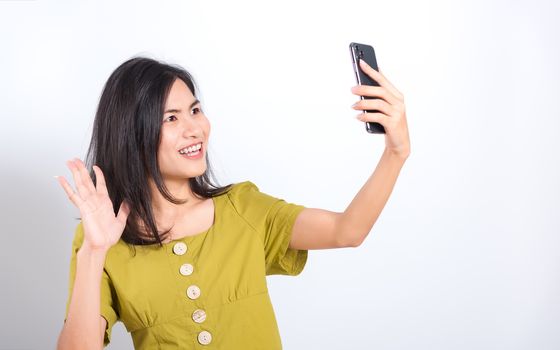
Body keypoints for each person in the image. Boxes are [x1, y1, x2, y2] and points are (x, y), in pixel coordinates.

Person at [55, 56, 410, 349]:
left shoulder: (243, 208)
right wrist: (94, 252)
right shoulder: (101, 240)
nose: (194, 128)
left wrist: (396, 152)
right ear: (132, 134)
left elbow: (346, 230)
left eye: (195, 110)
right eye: (171, 118)